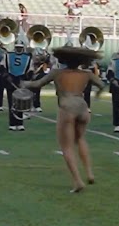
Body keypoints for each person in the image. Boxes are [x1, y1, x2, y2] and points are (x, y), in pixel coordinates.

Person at [23, 46, 107, 192]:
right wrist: (97, 95)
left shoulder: (57, 72)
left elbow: (37, 84)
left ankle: (77, 181)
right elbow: (101, 85)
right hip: (82, 106)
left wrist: (24, 84)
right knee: (80, 139)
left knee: (66, 146)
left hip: (67, 107)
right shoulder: (86, 74)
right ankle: (89, 173)